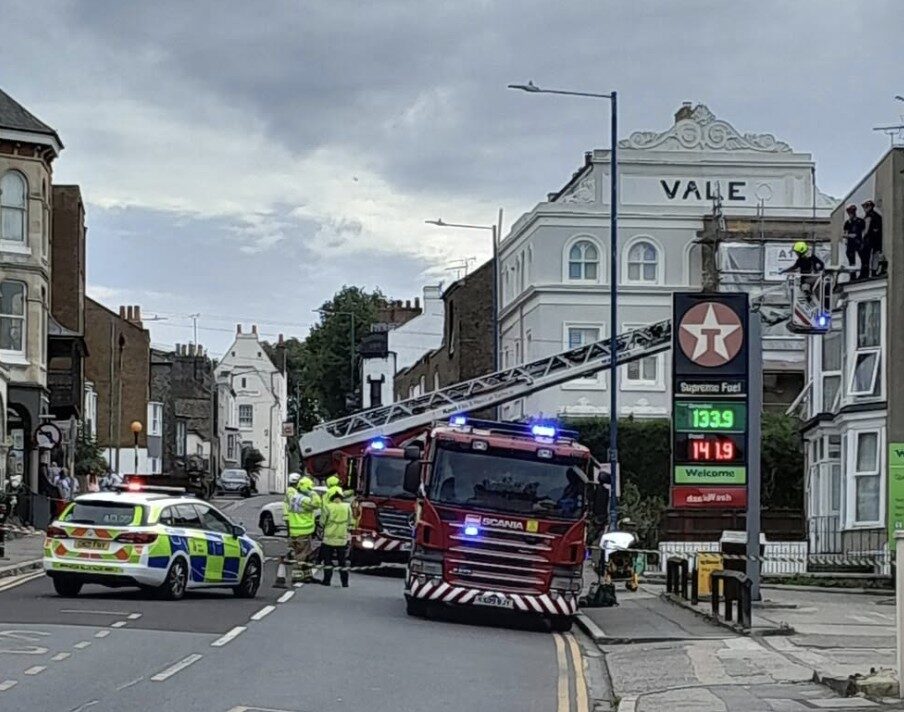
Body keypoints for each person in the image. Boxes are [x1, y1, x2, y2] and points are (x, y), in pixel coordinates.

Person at [284, 473, 320, 582]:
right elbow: (317, 503)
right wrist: (312, 492)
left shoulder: (293, 497)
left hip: (295, 530)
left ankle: (307, 575)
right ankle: (298, 575)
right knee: (302, 554)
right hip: (303, 530)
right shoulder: (304, 500)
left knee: (305, 553)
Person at [320, 489, 352, 587]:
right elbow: (350, 521)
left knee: (328, 561)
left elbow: (322, 522)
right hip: (341, 538)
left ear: (332, 499)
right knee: (342, 562)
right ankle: (345, 582)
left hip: (328, 538)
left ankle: (327, 581)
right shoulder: (347, 507)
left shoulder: (328, 507)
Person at [862, 200, 883, 278]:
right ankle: (873, 272)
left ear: (870, 207)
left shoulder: (869, 216)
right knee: (875, 256)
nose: (864, 209)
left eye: (865, 207)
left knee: (867, 257)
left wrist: (862, 238)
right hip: (877, 241)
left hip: (870, 241)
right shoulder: (878, 216)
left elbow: (866, 230)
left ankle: (867, 273)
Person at [842, 204, 864, 269]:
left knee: (863, 259)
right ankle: (852, 275)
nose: (850, 214)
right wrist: (848, 236)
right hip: (850, 244)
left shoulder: (860, 221)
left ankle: (863, 274)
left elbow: (864, 232)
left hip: (859, 242)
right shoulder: (847, 222)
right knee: (851, 261)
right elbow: (844, 233)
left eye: (851, 212)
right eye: (849, 212)